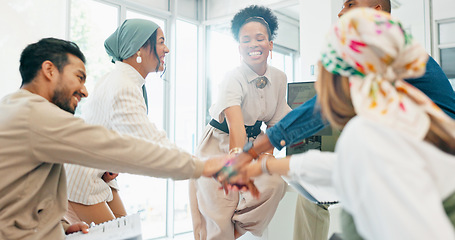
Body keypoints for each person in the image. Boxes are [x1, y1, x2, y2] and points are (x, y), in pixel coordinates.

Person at [230, 0, 455, 239]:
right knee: (313, 197)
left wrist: (254, 151)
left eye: (350, 4)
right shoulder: (384, 81)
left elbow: (322, 109)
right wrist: (263, 163)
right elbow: (336, 164)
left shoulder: (387, 51)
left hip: (431, 163)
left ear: (375, 12)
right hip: (418, 159)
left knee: (348, 208)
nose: (341, 11)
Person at [0, 37, 224, 240]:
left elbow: (19, 197)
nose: (84, 91)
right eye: (79, 77)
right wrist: (203, 166)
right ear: (49, 70)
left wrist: (60, 227)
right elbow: (119, 148)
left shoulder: (14, 107)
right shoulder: (35, 115)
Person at [63, 18, 180, 225]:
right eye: (161, 42)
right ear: (139, 49)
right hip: (81, 180)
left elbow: (103, 130)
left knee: (128, 232)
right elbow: (148, 141)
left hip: (98, 175)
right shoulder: (123, 84)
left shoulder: (118, 79)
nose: (167, 49)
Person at [188, 5, 291, 240]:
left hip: (253, 144)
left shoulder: (279, 78)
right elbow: (235, 125)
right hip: (218, 143)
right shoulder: (233, 77)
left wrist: (268, 156)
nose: (253, 44)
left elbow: (274, 124)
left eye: (260, 38)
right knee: (218, 214)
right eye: (246, 40)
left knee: (274, 185)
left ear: (270, 44)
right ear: (239, 48)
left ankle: (230, 233)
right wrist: (236, 165)